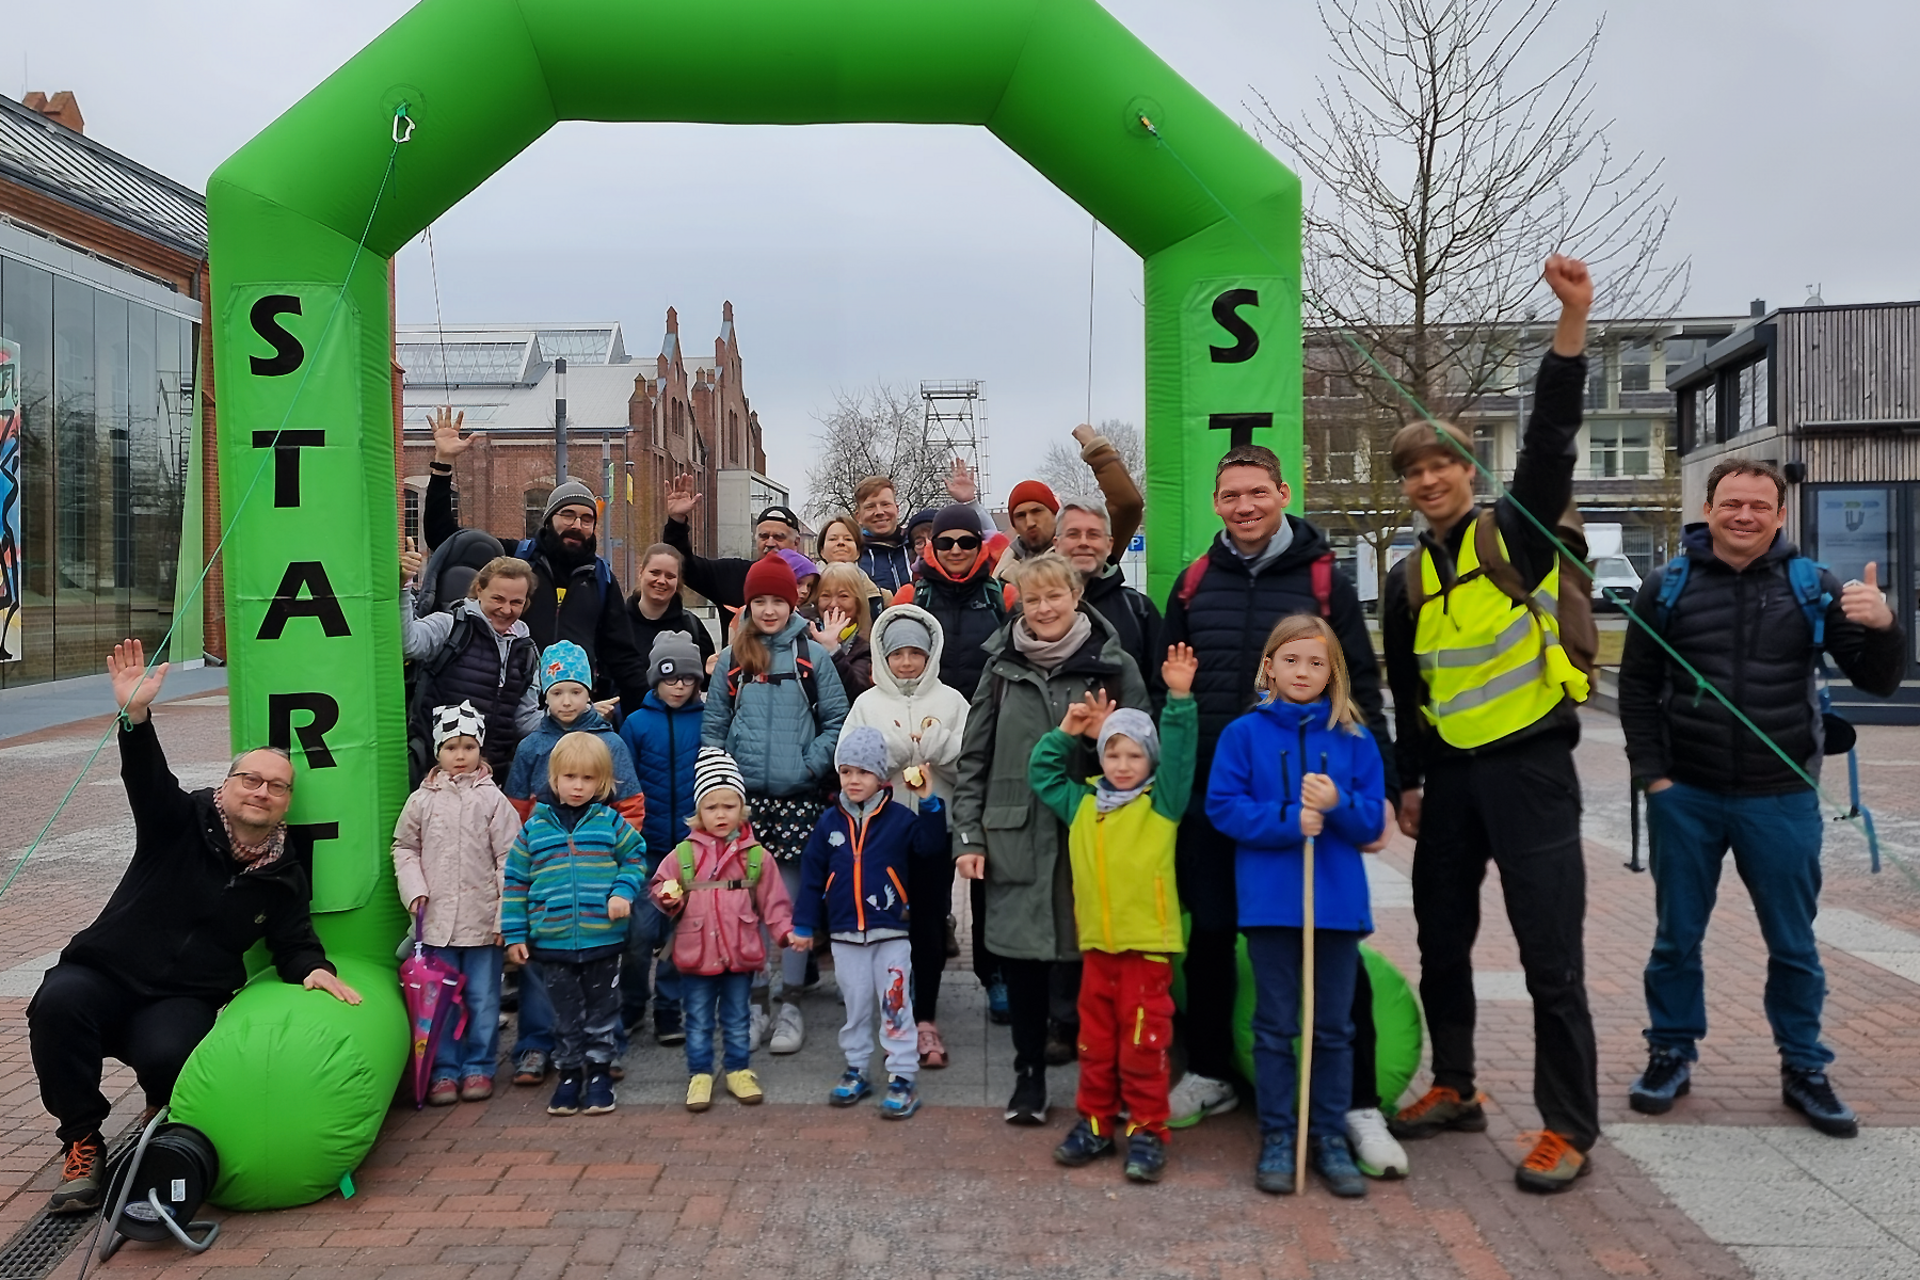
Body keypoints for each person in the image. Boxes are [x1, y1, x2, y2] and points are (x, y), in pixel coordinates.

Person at [1379, 254, 1599, 1193]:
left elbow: (1550, 437)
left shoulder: (1514, 531)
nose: (1430, 480)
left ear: (1467, 470)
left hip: (1533, 768)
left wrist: (1573, 323)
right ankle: (1458, 1085)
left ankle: (1568, 1126)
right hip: (1454, 783)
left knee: (1551, 954)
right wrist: (1408, 782)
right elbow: (1406, 687)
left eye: (1443, 465)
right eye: (1415, 471)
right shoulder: (1402, 577)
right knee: (1440, 940)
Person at [1617, 458, 1904, 1135]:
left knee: (1794, 945)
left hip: (1781, 798)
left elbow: (1879, 681)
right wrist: (1653, 777)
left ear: (1780, 514)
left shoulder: (1813, 586)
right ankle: (1670, 1051)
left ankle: (1804, 1066)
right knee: (1676, 939)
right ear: (1709, 508)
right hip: (1686, 794)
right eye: (1730, 503)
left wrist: (1886, 625)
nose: (1743, 515)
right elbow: (1634, 688)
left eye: (1758, 505)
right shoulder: (1667, 585)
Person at [30, 640, 361, 1214]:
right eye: (250, 780)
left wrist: (314, 971)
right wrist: (136, 717)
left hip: (183, 996)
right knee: (55, 1006)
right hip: (106, 973)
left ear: (286, 804)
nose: (261, 791)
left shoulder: (284, 872)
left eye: (276, 786)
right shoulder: (178, 820)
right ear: (227, 785)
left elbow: (293, 940)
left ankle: (165, 1124)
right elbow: (147, 777)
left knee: (172, 1055)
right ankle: (82, 1139)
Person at [1156, 443, 1395, 1131]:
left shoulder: (1324, 579)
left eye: (1256, 492)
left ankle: (1356, 1102)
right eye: (1231, 495)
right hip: (1213, 796)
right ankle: (1208, 1070)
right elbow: (1168, 684)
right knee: (1211, 938)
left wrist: (1380, 790)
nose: (1245, 506)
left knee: (1328, 936)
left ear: (1283, 492)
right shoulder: (1195, 581)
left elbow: (1363, 691)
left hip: (1308, 803)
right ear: (1215, 502)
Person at [952, 552, 1151, 1125]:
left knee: (1090, 958)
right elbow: (975, 756)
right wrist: (967, 836)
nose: (1043, 609)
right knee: (1024, 961)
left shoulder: (1112, 667)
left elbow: (1141, 752)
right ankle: (1029, 1076)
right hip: (1013, 831)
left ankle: (1099, 1076)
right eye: (1032, 599)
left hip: (1093, 831)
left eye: (1053, 597)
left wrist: (1095, 741)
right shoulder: (1001, 667)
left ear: (1075, 596)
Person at [1208, 615, 1387, 1198]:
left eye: (1316, 662)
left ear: (1332, 671)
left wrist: (1337, 803)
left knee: (1334, 1028)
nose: (1303, 672)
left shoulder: (1355, 739)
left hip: (1335, 904)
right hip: (1270, 903)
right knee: (1276, 1024)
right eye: (1292, 660)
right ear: (1270, 667)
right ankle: (1280, 1133)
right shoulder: (1244, 734)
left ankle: (1330, 1134)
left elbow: (1370, 825)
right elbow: (1224, 808)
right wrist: (1289, 820)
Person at [1033, 644, 1199, 1185]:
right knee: (1095, 1045)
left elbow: (1180, 756)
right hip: (1098, 950)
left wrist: (1178, 699)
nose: (1123, 765)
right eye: (1113, 754)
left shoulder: (1162, 805)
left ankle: (1148, 1130)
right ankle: (1096, 1123)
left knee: (1144, 1046)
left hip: (1146, 951)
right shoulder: (1081, 804)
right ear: (1099, 757)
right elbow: (1042, 772)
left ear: (1149, 761)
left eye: (1134, 756)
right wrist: (1067, 730)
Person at [702, 553, 850, 1055]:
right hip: (742, 805)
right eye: (759, 600)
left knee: (787, 908)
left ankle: (789, 1004)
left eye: (777, 601)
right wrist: (719, 784)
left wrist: (808, 765)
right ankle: (755, 1002)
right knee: (744, 907)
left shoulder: (814, 656)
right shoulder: (731, 658)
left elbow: (837, 721)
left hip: (795, 801)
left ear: (794, 602)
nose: (768, 610)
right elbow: (714, 727)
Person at [427, 410, 650, 709]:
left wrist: (650, 716)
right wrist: (442, 465)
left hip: (576, 711)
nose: (577, 525)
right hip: (511, 710)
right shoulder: (513, 559)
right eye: (567, 515)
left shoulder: (601, 579)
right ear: (548, 520)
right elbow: (444, 538)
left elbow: (623, 657)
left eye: (587, 519)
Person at [501, 640, 646, 1087]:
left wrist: (615, 862)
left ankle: (608, 1045)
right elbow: (518, 809)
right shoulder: (532, 746)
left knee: (603, 969)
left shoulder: (612, 743)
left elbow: (632, 808)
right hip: (549, 877)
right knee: (544, 966)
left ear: (590, 693)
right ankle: (535, 1045)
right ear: (545, 695)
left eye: (576, 692)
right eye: (558, 692)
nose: (567, 701)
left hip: (598, 875)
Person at [892, 504, 1016, 1021]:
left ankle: (995, 974)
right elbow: (889, 665)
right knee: (928, 870)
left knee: (988, 868)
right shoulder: (909, 596)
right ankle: (925, 978)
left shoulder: (1002, 595)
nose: (958, 551)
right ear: (932, 547)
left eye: (967, 541)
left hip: (986, 747)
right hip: (928, 753)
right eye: (947, 543)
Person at [793, 727, 949, 1119]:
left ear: (881, 777)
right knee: (857, 1006)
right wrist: (804, 925)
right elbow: (813, 877)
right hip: (845, 934)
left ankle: (901, 1076)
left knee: (895, 1005)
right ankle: (857, 1067)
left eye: (862, 772)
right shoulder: (829, 823)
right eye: (846, 772)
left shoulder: (900, 819)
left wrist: (930, 802)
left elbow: (930, 849)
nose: (854, 780)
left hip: (892, 931)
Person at [843, 605, 970, 1069]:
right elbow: (846, 762)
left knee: (931, 920)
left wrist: (944, 750)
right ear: (883, 654)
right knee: (887, 921)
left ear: (931, 652)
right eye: (898, 653)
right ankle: (891, 1004)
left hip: (937, 825)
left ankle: (927, 1016)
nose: (908, 662)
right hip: (881, 830)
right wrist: (887, 755)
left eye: (917, 652)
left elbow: (974, 756)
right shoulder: (868, 704)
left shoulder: (952, 701)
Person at [650, 748, 798, 1112]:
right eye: (712, 806)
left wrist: (785, 931)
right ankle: (700, 1073)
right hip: (695, 953)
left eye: (729, 806)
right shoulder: (682, 854)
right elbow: (659, 885)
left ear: (742, 809)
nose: (720, 814)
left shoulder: (756, 856)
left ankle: (737, 1070)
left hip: (739, 953)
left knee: (738, 1016)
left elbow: (774, 901)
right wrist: (667, 897)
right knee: (697, 1018)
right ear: (698, 811)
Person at [391, 701, 523, 1105]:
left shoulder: (493, 800)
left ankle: (479, 1066)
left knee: (483, 999)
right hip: (437, 924)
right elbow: (404, 847)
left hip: (483, 923)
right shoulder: (421, 801)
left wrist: (506, 915)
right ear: (437, 752)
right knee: (441, 1001)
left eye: (468, 746)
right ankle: (444, 1069)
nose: (460, 755)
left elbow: (510, 858)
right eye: (451, 747)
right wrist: (414, 889)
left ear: (480, 749)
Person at [616, 632, 708, 1049]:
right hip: (645, 848)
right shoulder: (635, 723)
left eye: (686, 679)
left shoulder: (707, 721)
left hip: (690, 847)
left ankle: (670, 1010)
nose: (677, 687)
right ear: (656, 680)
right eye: (670, 679)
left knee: (680, 933)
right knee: (639, 932)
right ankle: (632, 1003)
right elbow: (624, 784)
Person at [400, 551, 542, 784]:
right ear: (479, 590)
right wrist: (404, 587)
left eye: (516, 602)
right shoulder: (450, 626)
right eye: (498, 599)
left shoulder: (527, 651)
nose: (506, 610)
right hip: (436, 779)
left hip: (492, 783)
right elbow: (408, 644)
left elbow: (524, 720)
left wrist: (576, 715)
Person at [659, 471, 808, 614]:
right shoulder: (733, 575)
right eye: (763, 536)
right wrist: (677, 523)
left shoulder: (810, 584)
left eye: (778, 537)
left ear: (796, 542)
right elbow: (683, 566)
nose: (770, 543)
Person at [1002, 424, 1146, 567]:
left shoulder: (1084, 554)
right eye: (1020, 516)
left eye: (1037, 511)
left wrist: (1096, 451)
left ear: (1055, 515)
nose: (1030, 522)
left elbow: (1127, 505)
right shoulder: (1002, 573)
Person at [1054, 497, 1159, 681]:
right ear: (1056, 544)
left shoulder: (1139, 611)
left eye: (1093, 534)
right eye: (1073, 534)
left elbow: (1161, 685)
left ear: (1109, 545)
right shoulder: (1029, 610)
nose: (1083, 542)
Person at [625, 544, 716, 688]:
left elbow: (704, 684)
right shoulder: (616, 623)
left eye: (670, 576)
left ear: (678, 580)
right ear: (641, 572)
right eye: (655, 573)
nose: (661, 581)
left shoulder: (691, 626)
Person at [806, 563, 876, 701]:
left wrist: (834, 651)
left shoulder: (863, 648)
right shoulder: (805, 633)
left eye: (843, 596)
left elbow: (857, 694)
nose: (833, 604)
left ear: (858, 602)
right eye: (825, 596)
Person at [852, 475, 915, 593]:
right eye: (870, 507)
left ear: (897, 509)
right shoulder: (853, 557)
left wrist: (961, 500)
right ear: (858, 517)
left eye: (885, 504)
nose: (879, 512)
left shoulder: (917, 547)